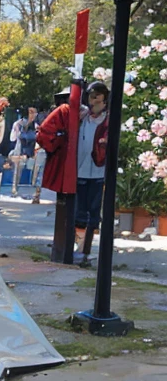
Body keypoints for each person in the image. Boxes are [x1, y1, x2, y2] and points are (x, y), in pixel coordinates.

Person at [74, 81, 110, 258]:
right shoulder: (82, 118)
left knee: (93, 210)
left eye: (97, 95)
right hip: (80, 169)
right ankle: (79, 247)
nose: (93, 99)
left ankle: (87, 248)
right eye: (91, 95)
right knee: (79, 211)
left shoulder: (109, 121)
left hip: (97, 171)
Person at [9, 106, 40, 198]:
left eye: (34, 112)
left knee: (20, 171)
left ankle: (20, 191)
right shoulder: (20, 125)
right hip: (23, 151)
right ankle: (15, 190)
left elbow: (13, 138)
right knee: (17, 171)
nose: (34, 115)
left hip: (28, 151)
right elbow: (12, 138)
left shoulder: (35, 126)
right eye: (31, 112)